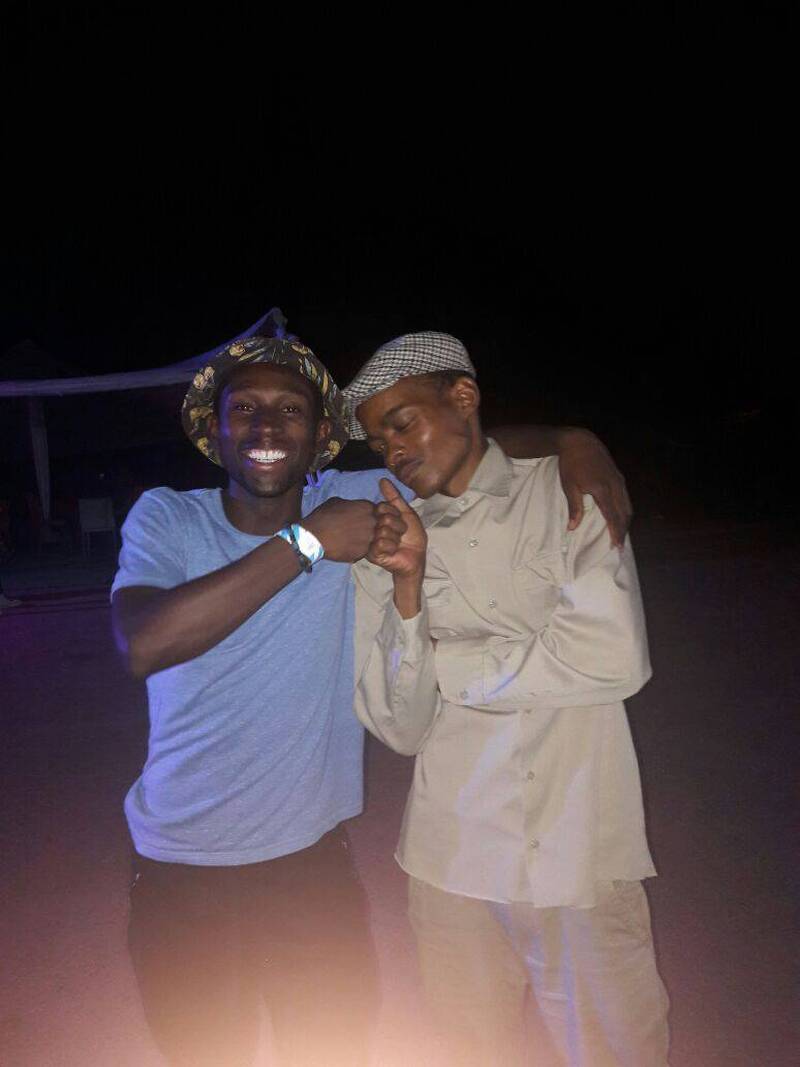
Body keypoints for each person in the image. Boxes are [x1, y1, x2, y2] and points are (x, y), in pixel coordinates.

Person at [111, 333, 631, 1067]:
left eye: (290, 410)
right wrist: (307, 542)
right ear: (214, 431)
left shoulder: (356, 498)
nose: (267, 426)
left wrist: (573, 440)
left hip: (312, 865)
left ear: (320, 438)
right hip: (180, 868)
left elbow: (458, 446)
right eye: (245, 409)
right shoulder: (169, 517)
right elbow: (143, 642)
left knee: (331, 1049)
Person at [347, 332, 670, 1067]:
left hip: (579, 850)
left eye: (403, 423)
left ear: (463, 397)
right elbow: (400, 727)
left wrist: (447, 664)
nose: (393, 452)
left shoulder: (566, 489)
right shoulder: (388, 540)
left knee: (621, 1052)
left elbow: (614, 657)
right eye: (379, 442)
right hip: (449, 861)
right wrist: (408, 590)